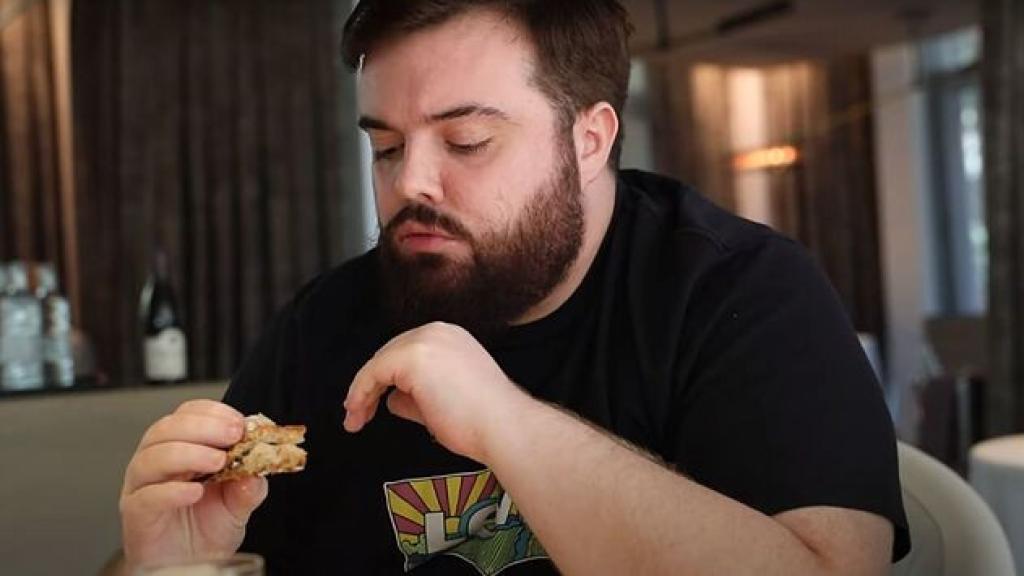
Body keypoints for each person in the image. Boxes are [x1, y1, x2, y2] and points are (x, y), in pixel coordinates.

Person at [119, 1, 910, 574]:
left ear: (590, 138)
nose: (409, 183)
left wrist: (506, 422)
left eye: (467, 141)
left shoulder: (741, 293)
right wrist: (170, 568)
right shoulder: (325, 323)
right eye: (387, 147)